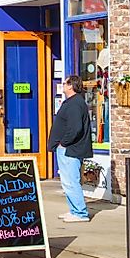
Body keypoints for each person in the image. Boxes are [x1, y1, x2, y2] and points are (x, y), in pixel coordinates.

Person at [46, 75, 93, 223]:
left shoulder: (75, 104)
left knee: (71, 181)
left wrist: (63, 143)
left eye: (65, 83)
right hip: (68, 149)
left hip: (71, 149)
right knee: (67, 181)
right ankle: (74, 210)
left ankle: (80, 212)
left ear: (71, 86)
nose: (63, 85)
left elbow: (75, 128)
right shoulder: (73, 102)